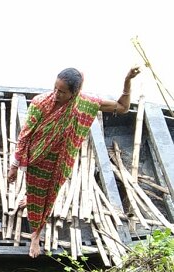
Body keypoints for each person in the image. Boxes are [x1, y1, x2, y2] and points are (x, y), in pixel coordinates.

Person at [7, 66, 141, 258]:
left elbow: (122, 107)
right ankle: (33, 218)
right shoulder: (40, 103)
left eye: (62, 92)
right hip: (37, 157)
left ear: (74, 93)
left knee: (51, 194)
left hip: (62, 159)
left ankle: (37, 229)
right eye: (55, 88)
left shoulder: (84, 103)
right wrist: (14, 166)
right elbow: (25, 136)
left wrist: (127, 80)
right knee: (36, 191)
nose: (56, 94)